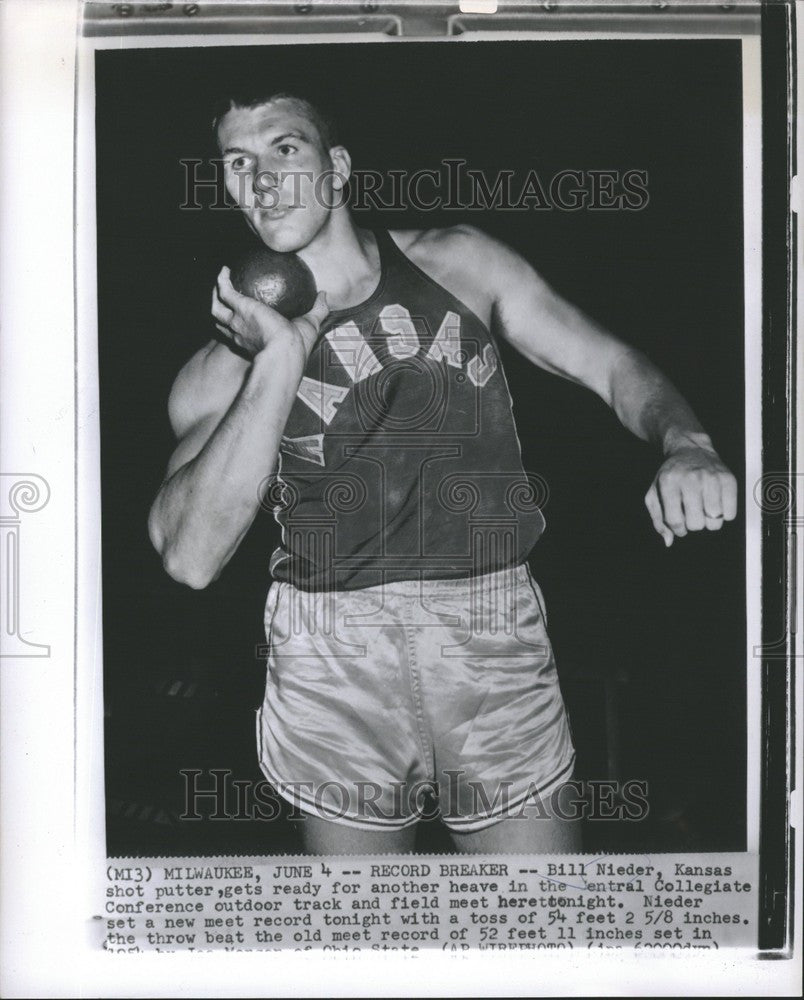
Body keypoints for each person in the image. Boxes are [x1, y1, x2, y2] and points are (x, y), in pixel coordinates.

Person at [148, 92, 738, 856]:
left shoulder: (460, 263)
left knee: (538, 942)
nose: (261, 177)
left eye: (285, 148)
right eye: (237, 162)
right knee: (368, 954)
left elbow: (613, 364)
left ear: (339, 167)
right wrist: (281, 358)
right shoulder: (219, 374)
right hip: (331, 648)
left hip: (488, 630)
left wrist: (686, 442)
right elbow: (190, 558)